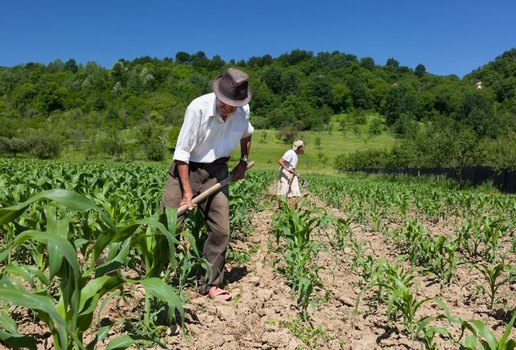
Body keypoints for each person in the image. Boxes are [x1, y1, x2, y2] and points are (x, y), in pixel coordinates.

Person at [162, 68, 253, 301]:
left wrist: (243, 161)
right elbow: (181, 153)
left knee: (221, 230)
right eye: (225, 102)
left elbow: (247, 134)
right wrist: (187, 192)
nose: (229, 107)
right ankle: (154, 274)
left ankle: (211, 283)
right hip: (186, 169)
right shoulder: (198, 108)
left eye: (234, 103)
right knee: (169, 224)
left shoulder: (243, 112)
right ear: (218, 94)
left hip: (218, 172)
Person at [277, 140, 305, 205]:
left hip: (292, 172)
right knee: (284, 188)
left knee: (294, 189)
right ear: (299, 147)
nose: (303, 148)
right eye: (302, 147)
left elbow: (292, 166)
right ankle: (281, 207)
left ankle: (293, 209)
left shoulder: (296, 154)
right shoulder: (290, 152)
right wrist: (287, 169)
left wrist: (296, 173)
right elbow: (280, 161)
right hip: (285, 172)